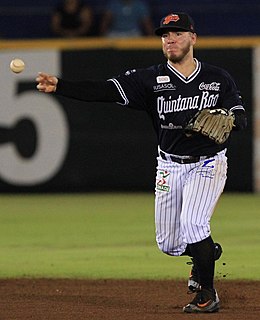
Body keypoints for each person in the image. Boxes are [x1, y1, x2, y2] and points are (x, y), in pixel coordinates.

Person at [36, 12, 247, 313]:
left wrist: (228, 120)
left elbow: (241, 118)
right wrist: (61, 85)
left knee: (194, 223)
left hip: (207, 163)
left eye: (177, 33)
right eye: (165, 35)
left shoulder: (217, 77)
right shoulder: (149, 79)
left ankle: (207, 293)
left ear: (193, 37)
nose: (170, 39)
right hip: (169, 166)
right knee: (169, 244)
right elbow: (104, 91)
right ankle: (206, 254)